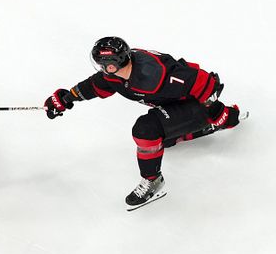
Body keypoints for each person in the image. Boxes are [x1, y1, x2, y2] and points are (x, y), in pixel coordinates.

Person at [43, 36, 247, 210]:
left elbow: (203, 81)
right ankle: (208, 124)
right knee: (160, 142)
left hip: (196, 102)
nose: (101, 69)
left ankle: (153, 180)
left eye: (103, 65)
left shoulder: (153, 75)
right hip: (177, 104)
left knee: (146, 130)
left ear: (113, 64)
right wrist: (67, 98)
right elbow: (96, 85)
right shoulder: (117, 74)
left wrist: (215, 111)